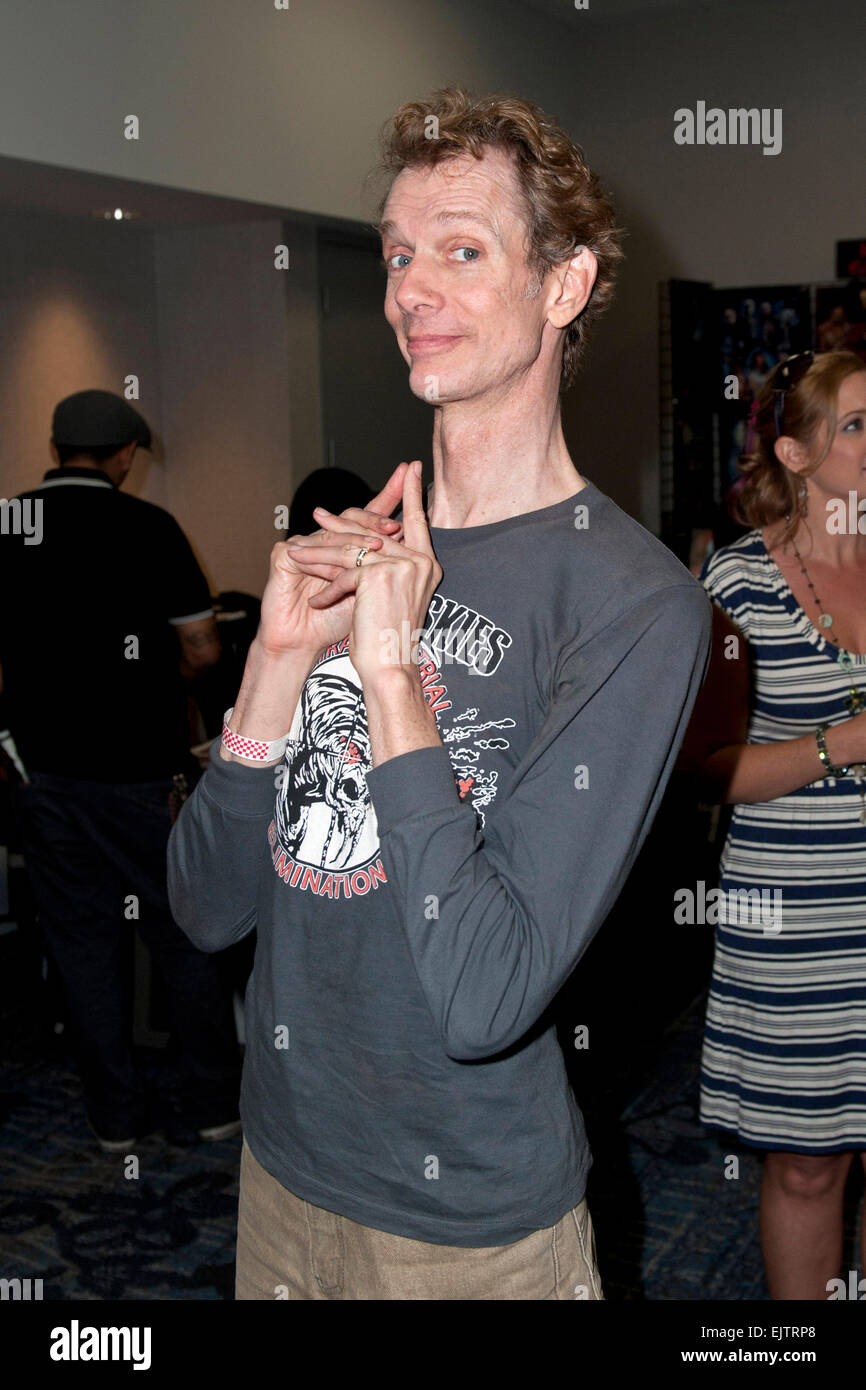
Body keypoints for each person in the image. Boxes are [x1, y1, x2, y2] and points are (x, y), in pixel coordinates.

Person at [167, 87, 710, 1301]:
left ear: (561, 287)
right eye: (400, 254)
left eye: (462, 251)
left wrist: (391, 671)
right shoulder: (357, 552)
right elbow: (204, 911)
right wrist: (273, 665)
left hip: (464, 1232)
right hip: (281, 1174)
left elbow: (484, 993)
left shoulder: (634, 606)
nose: (411, 288)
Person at [0, 389, 243, 1151]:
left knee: (80, 944)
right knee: (182, 932)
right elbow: (203, 649)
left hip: (44, 774)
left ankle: (115, 1120)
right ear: (125, 455)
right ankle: (211, 1104)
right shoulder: (150, 526)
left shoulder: (11, 522)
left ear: (55, 446)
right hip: (140, 776)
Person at [679, 350, 866, 1299]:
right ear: (796, 451)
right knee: (807, 1163)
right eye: (859, 426)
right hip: (795, 920)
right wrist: (848, 744)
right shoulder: (736, 588)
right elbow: (706, 777)